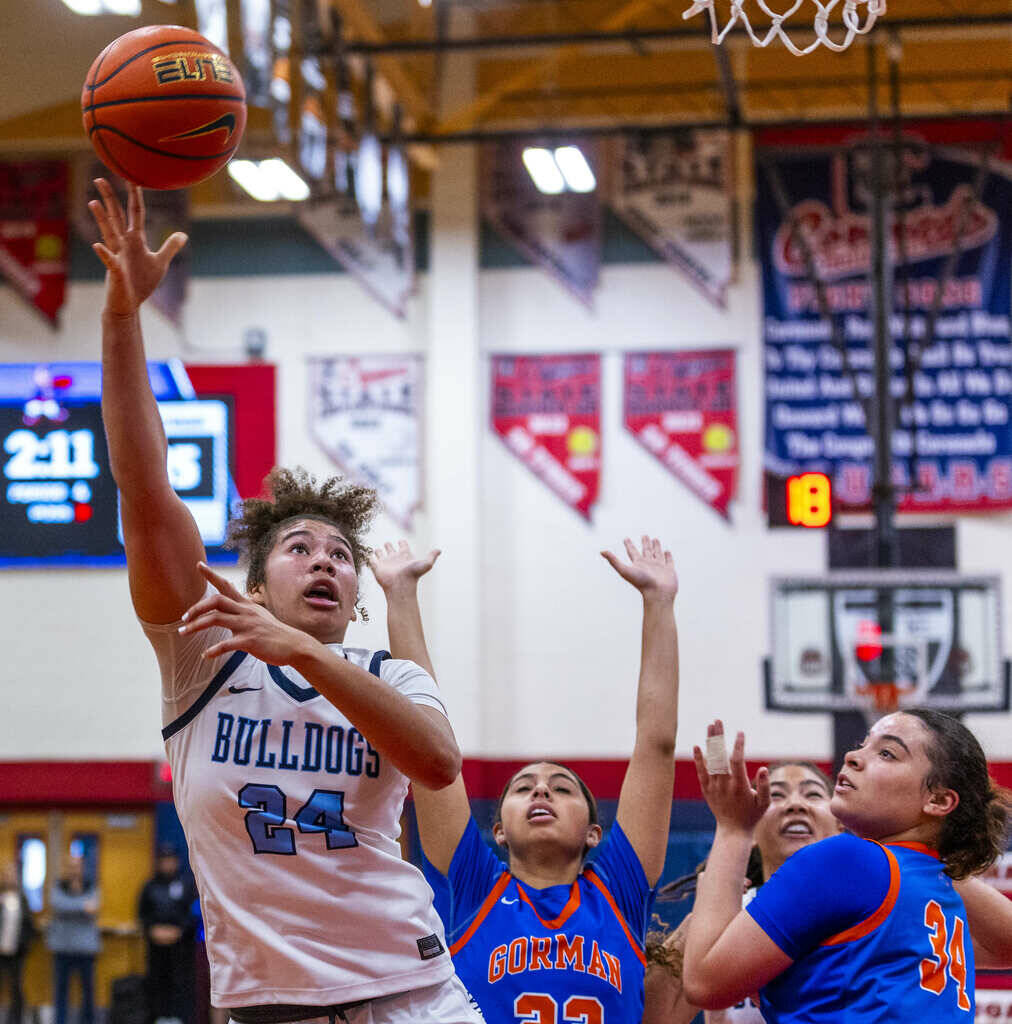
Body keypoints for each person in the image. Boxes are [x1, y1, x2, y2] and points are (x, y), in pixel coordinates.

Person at [87, 178, 482, 1024]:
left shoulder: (391, 678)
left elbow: (440, 763)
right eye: (299, 549)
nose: (325, 563)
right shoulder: (202, 656)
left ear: (352, 599)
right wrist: (122, 321)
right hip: (270, 1007)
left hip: (412, 994)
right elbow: (143, 484)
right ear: (256, 581)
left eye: (341, 554)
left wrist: (304, 652)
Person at [369, 536, 680, 1023]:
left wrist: (658, 603)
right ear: (498, 830)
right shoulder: (477, 885)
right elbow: (423, 734)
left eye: (561, 787)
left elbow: (656, 745)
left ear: (594, 833)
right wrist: (401, 597)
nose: (540, 789)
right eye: (523, 787)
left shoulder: (618, 888)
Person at [682, 713, 1012, 1022]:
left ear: (938, 801)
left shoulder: (847, 860)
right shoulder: (937, 889)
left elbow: (703, 984)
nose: (853, 757)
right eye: (862, 744)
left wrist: (733, 828)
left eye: (887, 754)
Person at [642, 761, 839, 1024]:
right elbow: (655, 1018)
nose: (795, 805)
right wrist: (704, 915)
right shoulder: (730, 912)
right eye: (776, 795)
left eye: (812, 794)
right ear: (752, 827)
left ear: (840, 824)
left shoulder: (869, 906)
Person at [138, 846, 197, 1024]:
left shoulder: (186, 885)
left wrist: (178, 932)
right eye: (164, 860)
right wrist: (153, 931)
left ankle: (179, 1019)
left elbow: (193, 914)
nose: (167, 864)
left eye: (170, 860)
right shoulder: (149, 886)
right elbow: (142, 915)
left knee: (180, 986)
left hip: (181, 950)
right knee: (156, 986)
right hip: (156, 948)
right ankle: (157, 1018)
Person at [47, 856, 100, 1024]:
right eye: (71, 866)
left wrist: (70, 907)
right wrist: (82, 907)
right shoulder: (58, 886)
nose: (74, 870)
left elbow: (94, 907)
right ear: (67, 869)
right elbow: (57, 904)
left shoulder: (92, 886)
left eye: (77, 866)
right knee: (61, 992)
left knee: (88, 992)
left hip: (86, 949)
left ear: (82, 868)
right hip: (62, 948)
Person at [0, 861, 34, 1024]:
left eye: (12, 874)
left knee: (16, 989)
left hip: (16, 951)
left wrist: (23, 945)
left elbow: (29, 925)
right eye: (6, 874)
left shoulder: (22, 898)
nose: (10, 877)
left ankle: (16, 1020)